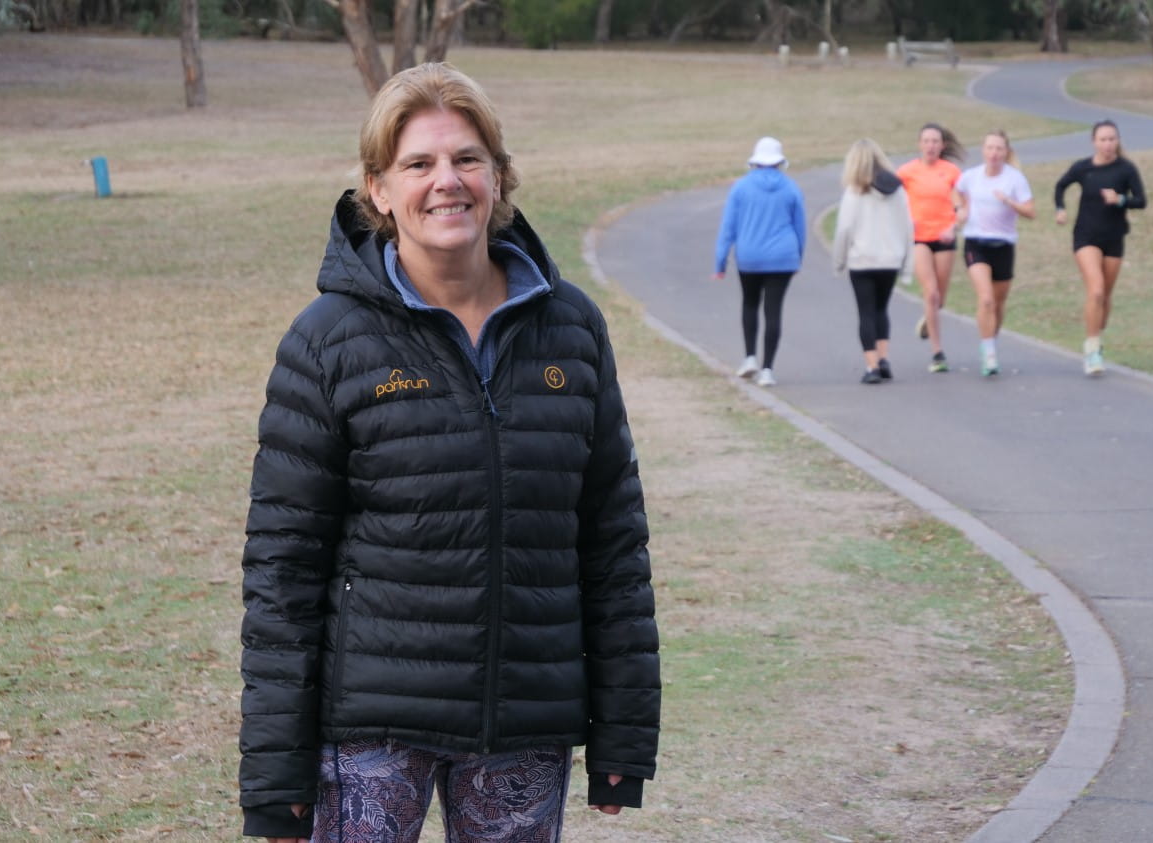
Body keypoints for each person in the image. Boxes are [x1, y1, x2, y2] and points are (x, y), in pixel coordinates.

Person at [237, 62, 660, 843]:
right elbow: (282, 570)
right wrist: (274, 773)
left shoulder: (570, 327)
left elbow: (612, 541)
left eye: (467, 158)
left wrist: (624, 735)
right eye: (419, 163)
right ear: (379, 190)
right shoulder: (327, 340)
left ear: (499, 177)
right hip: (368, 730)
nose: (447, 182)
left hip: (524, 724)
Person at [1054, 120, 1147, 376]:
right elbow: (1061, 185)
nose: (1107, 144)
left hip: (1114, 238)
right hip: (1085, 237)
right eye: (1103, 139)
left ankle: (1097, 336)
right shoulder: (1083, 168)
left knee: (1105, 296)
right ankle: (1092, 350)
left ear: (1117, 141)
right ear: (1094, 142)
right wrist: (1060, 209)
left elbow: (1141, 201)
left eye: (1112, 139)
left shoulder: (1126, 169)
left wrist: (1120, 200)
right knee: (1095, 291)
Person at [713, 136, 806, 387]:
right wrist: (798, 257)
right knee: (773, 310)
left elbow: (728, 228)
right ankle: (768, 369)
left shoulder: (741, 188)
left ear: (755, 161)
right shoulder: (791, 188)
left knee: (750, 304)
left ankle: (750, 357)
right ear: (779, 162)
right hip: (783, 258)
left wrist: (720, 262)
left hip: (750, 257)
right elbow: (800, 228)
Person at [832, 138, 914, 383]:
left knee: (866, 312)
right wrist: (906, 264)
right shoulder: (897, 190)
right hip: (890, 259)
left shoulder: (855, 191)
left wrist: (839, 260)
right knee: (881, 308)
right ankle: (883, 356)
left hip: (863, 259)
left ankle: (872, 366)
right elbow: (907, 226)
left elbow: (844, 228)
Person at [956, 130, 1035, 377]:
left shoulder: (1015, 179)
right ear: (983, 150)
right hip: (975, 243)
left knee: (998, 304)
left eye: (999, 149)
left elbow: (1031, 211)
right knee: (986, 299)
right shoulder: (971, 177)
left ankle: (990, 342)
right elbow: (956, 190)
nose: (994, 153)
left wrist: (1010, 203)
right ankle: (989, 353)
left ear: (1006, 152)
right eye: (990, 148)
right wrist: (960, 208)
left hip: (1003, 245)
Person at [896, 123, 964, 373]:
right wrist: (904, 219)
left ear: (942, 146)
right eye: (926, 141)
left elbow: (961, 205)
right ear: (919, 144)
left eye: (935, 141)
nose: (931, 146)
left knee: (940, 299)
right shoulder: (907, 172)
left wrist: (953, 226)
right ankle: (937, 353)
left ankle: (929, 317)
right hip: (919, 238)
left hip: (944, 238)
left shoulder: (951, 171)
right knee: (931, 293)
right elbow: (891, 197)